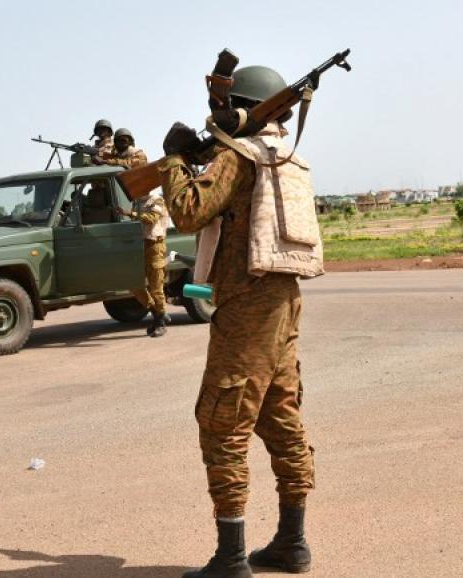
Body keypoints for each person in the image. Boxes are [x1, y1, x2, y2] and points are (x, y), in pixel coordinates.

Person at [159, 65, 323, 578]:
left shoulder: (238, 156)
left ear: (244, 108)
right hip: (283, 302)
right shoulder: (288, 157)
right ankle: (291, 544)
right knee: (281, 417)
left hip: (246, 307)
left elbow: (187, 212)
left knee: (222, 424)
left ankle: (230, 558)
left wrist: (172, 161)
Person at [117, 189, 170, 336]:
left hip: (155, 246)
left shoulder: (157, 200)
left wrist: (131, 214)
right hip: (139, 245)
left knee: (155, 287)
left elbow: (151, 218)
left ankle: (160, 323)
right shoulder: (138, 201)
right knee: (133, 284)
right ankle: (156, 312)